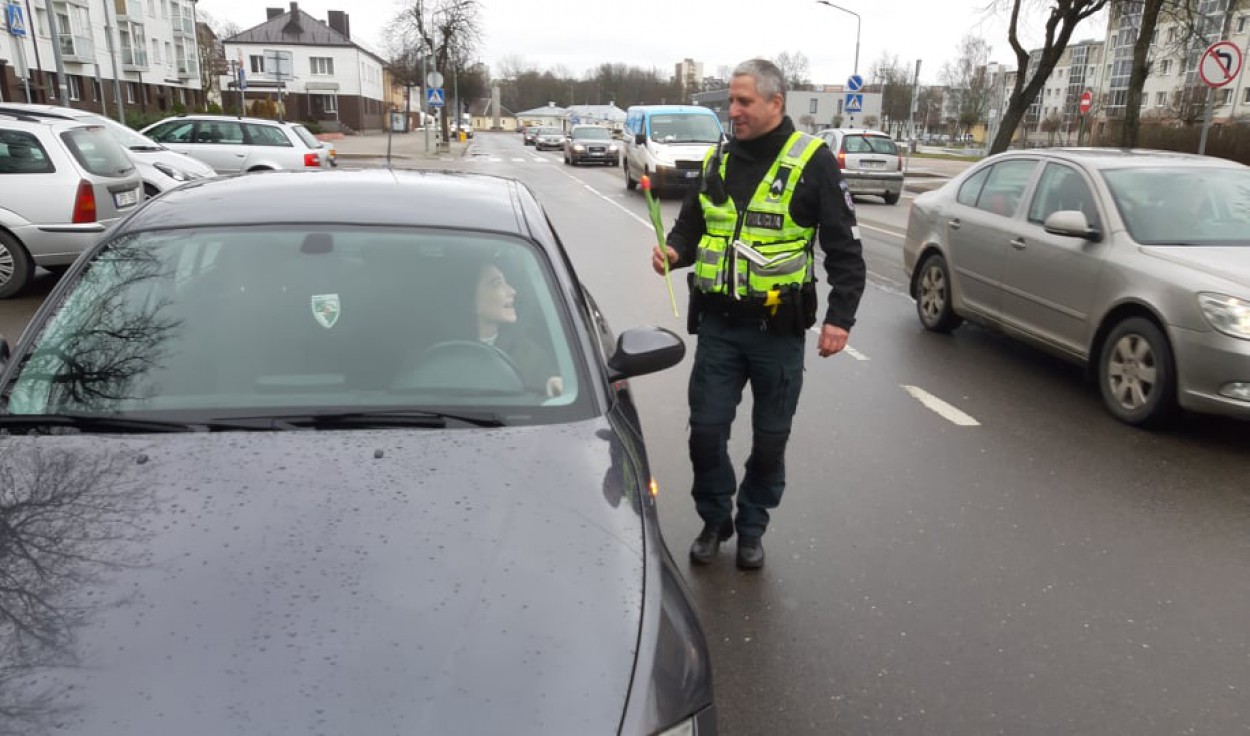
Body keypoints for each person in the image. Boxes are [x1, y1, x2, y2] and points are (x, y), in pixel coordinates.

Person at [650, 59, 866, 570]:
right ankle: (714, 519)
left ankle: (751, 527)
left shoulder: (813, 161)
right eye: (731, 100)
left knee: (770, 441)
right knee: (706, 432)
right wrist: (674, 251)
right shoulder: (718, 159)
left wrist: (840, 318)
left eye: (744, 101)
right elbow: (690, 226)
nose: (734, 111)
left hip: (778, 332)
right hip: (720, 327)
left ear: (775, 102)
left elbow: (845, 250)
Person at [465, 257, 563, 398]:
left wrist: (553, 383)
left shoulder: (529, 353)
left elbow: (554, 389)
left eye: (507, 282)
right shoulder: (446, 356)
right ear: (471, 300)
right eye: (497, 284)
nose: (512, 291)